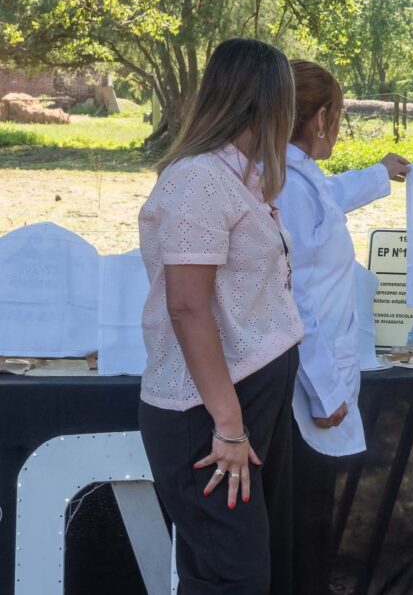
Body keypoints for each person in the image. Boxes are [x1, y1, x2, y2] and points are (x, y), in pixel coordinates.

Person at [137, 38, 304, 594]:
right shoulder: (198, 179)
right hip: (208, 410)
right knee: (234, 578)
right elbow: (187, 305)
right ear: (269, 102)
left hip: (243, 400)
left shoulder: (236, 177)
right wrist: (229, 424)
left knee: (233, 572)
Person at [276, 59, 410, 594]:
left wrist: (380, 173)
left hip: (310, 377)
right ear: (321, 118)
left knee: (310, 522)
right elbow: (292, 296)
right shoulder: (286, 184)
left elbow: (327, 198)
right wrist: (326, 389)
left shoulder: (295, 174)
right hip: (303, 386)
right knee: (302, 526)